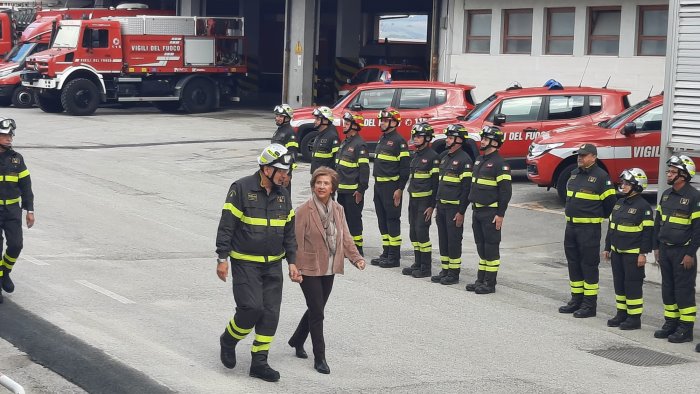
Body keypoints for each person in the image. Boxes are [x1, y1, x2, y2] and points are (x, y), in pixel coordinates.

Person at [215, 143, 299, 382]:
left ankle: (259, 363)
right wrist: (223, 258)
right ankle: (229, 339)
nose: (287, 175)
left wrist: (292, 261)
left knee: (271, 314)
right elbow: (227, 225)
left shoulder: (284, 195)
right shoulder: (241, 188)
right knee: (252, 309)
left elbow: (289, 232)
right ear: (266, 168)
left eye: (288, 171)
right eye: (282, 170)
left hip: (273, 264)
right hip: (245, 263)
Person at [288, 167, 365, 374]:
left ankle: (296, 340)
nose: (321, 186)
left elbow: (345, 236)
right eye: (318, 183)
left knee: (316, 307)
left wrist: (355, 258)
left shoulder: (338, 209)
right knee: (318, 313)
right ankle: (320, 357)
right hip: (308, 268)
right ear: (313, 186)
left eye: (326, 183)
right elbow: (294, 241)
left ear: (332, 188)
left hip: (330, 266)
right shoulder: (304, 210)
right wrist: (294, 266)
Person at [558, 144, 616, 318]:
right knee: (573, 264)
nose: (580, 158)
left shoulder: (601, 177)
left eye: (583, 155)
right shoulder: (574, 174)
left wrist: (594, 217)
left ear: (593, 157)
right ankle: (576, 300)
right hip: (571, 227)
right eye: (579, 155)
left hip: (589, 229)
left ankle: (589, 305)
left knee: (588, 266)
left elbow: (610, 206)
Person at [652, 155, 699, 345]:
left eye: (673, 172)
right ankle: (671, 323)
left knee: (683, 290)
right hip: (665, 249)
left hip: (683, 252)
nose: (668, 174)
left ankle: (685, 328)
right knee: (668, 289)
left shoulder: (694, 197)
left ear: (684, 176)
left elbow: (697, 229)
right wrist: (656, 246)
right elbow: (658, 222)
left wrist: (690, 253)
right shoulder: (665, 194)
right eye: (668, 171)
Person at [602, 168, 653, 330]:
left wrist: (643, 254)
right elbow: (612, 227)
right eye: (623, 182)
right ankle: (621, 314)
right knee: (619, 284)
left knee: (632, 286)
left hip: (633, 255)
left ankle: (634, 318)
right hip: (617, 253)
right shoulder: (619, 203)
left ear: (637, 186)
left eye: (627, 183)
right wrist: (607, 247)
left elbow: (648, 233)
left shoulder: (643, 207)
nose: (622, 186)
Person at [466, 125, 511, 294]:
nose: (482, 141)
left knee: (491, 247)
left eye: (485, 139)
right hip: (477, 211)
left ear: (494, 142)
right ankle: (481, 279)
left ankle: (490, 284)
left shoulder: (500, 164)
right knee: (481, 246)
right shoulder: (479, 159)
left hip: (490, 213)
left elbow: (506, 192)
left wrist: (500, 214)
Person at [431, 124, 473, 285]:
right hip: (441, 206)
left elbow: (466, 189)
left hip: (454, 208)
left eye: (450, 137)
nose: (447, 140)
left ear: (459, 140)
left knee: (453, 240)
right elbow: (439, 183)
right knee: (443, 239)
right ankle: (445, 269)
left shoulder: (465, 160)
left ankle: (454, 273)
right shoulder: (444, 156)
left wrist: (461, 211)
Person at [0, 118, 34, 304]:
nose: (9, 138)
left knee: (16, 245)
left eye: (10, 135)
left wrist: (30, 210)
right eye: (5, 134)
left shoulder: (17, 159)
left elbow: (26, 186)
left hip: (13, 211)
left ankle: (4, 273)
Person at [370, 107, 410, 268]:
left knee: (392, 220)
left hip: (391, 187)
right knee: (382, 220)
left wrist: (399, 189)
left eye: (386, 120)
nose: (382, 123)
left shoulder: (399, 142)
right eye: (382, 120)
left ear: (394, 122)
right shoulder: (383, 138)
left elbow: (405, 169)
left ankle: (394, 256)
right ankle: (386, 252)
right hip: (379, 185)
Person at [402, 122, 439, 278]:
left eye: (419, 136)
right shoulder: (416, 155)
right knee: (413, 232)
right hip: (414, 199)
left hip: (425, 202)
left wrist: (432, 206)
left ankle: (426, 267)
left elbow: (436, 184)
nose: (415, 139)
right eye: (414, 136)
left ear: (428, 138)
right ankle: (417, 263)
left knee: (422, 232)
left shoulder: (433, 158)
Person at [335, 112, 369, 255]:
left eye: (348, 124)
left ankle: (357, 248)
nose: (345, 125)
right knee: (343, 220)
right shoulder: (345, 142)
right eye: (345, 123)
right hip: (342, 190)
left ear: (355, 126)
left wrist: (361, 190)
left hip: (353, 191)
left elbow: (364, 170)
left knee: (354, 219)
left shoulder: (359, 145)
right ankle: (346, 246)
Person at [271, 104, 299, 193]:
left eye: (281, 116)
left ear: (287, 118)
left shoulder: (290, 133)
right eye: (277, 116)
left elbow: (292, 155)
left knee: (283, 197)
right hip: (274, 169)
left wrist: (288, 174)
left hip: (282, 172)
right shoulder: (279, 130)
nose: (277, 118)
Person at [310, 106, 339, 174]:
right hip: (317, 175)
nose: (315, 121)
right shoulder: (319, 135)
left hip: (326, 177)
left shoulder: (332, 136)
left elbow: (336, 161)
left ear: (326, 120)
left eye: (317, 119)